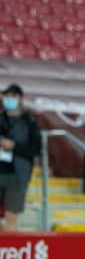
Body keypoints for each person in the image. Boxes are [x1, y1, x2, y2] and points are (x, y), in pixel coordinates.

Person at [0, 84, 41, 231]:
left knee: (12, 216)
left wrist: (14, 146)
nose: (8, 99)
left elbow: (36, 149)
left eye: (12, 96)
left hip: (17, 175)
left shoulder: (30, 123)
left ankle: (10, 249)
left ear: (20, 98)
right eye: (6, 96)